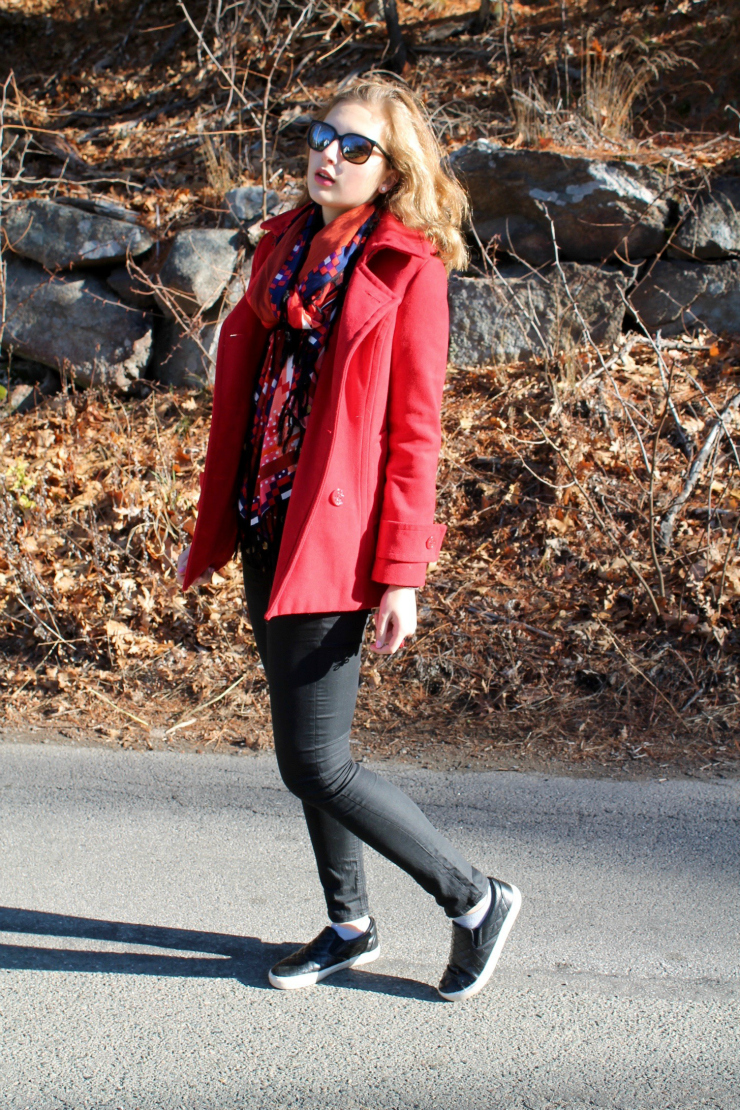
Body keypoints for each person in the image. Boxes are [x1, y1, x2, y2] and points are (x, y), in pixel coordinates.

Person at [177, 78, 520, 1002]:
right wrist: (215, 526)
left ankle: (475, 898)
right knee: (305, 750)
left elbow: (416, 432)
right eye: (322, 136)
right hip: (265, 521)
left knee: (317, 760)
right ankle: (349, 923)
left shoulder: (411, 271)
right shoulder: (282, 246)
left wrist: (401, 574)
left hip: (335, 539)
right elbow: (246, 401)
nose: (328, 154)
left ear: (394, 170)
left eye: (355, 146)